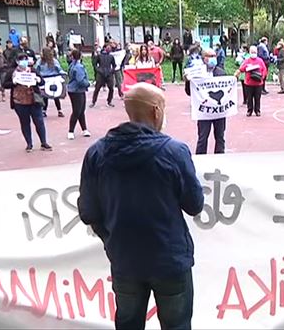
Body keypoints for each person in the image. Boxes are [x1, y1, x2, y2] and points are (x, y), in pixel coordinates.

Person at [78, 83, 203, 330]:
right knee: (177, 324)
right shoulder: (174, 152)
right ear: (157, 111)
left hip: (124, 259)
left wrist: (111, 238)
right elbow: (194, 204)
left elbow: (89, 213)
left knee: (127, 324)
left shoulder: (96, 153)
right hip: (170, 259)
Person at [6, 53, 52, 152]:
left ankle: (43, 142)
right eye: (21, 60)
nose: (24, 62)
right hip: (19, 102)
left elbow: (42, 82)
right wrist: (13, 82)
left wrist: (38, 79)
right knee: (25, 123)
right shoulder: (12, 72)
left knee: (39, 121)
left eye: (26, 59)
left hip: (34, 100)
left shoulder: (33, 70)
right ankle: (29, 144)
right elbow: (5, 84)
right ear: (17, 62)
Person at [185, 48, 227, 154]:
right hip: (204, 112)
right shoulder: (197, 73)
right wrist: (188, 81)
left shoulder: (221, 73)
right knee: (202, 138)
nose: (213, 58)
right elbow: (190, 92)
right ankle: (200, 160)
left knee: (220, 138)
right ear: (204, 59)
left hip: (219, 112)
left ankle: (220, 159)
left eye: (214, 56)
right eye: (210, 56)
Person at [235, 45, 267, 117]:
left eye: (255, 52)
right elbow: (241, 69)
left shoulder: (260, 61)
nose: (253, 53)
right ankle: (249, 110)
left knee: (257, 98)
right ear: (249, 52)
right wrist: (237, 73)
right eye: (252, 52)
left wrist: (262, 76)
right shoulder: (247, 61)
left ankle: (257, 110)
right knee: (249, 98)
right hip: (249, 83)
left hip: (258, 83)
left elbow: (264, 69)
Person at [66, 49, 91, 140]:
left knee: (80, 110)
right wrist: (87, 84)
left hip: (73, 90)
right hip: (77, 90)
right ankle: (71, 131)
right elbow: (80, 80)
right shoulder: (79, 67)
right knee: (77, 111)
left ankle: (84, 129)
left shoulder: (72, 65)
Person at [35, 47, 65, 118]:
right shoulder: (40, 61)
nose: (41, 54)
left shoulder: (53, 61)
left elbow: (59, 69)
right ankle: (45, 111)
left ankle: (59, 110)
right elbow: (36, 69)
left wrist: (63, 74)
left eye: (42, 52)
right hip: (45, 79)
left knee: (54, 95)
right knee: (46, 96)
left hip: (52, 79)